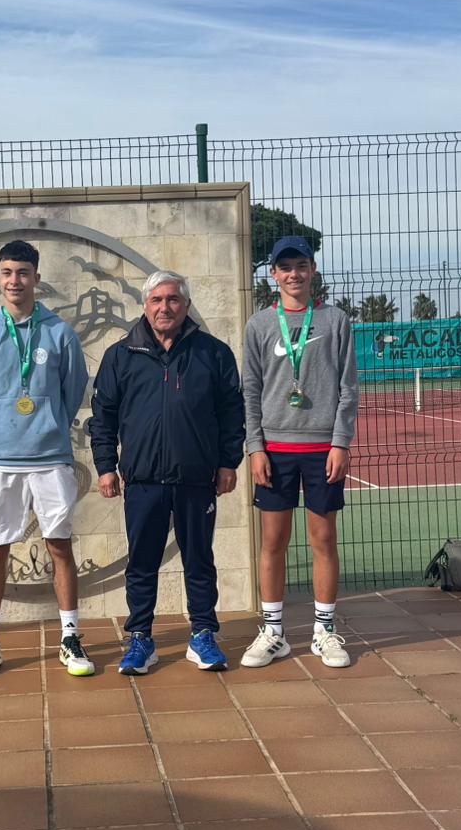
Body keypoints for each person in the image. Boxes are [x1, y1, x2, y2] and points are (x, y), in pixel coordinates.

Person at [90, 271, 244, 674]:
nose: (165, 307)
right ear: (145, 305)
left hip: (197, 479)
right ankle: (141, 638)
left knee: (199, 561)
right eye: (157, 300)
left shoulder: (213, 353)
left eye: (173, 299)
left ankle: (203, 635)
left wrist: (228, 462)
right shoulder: (120, 355)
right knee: (142, 564)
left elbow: (232, 413)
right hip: (143, 481)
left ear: (186, 305)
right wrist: (106, 467)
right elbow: (102, 417)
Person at [0, 240, 93, 680]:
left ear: (36, 277)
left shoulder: (59, 333)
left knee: (60, 547)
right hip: (2, 460)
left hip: (51, 457)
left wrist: (50, 424)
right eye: (6, 273)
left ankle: (70, 638)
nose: (14, 281)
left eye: (22, 272)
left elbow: (73, 388)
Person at [240, 235, 360, 669]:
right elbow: (250, 390)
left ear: (313, 270)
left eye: (301, 265)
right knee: (273, 541)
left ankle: (324, 630)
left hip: (322, 450)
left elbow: (348, 388)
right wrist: (255, 447)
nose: (294, 274)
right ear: (273, 274)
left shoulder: (335, 320)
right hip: (274, 451)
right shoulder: (259, 325)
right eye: (285, 267)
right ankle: (274, 632)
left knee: (323, 539)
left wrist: (340, 442)